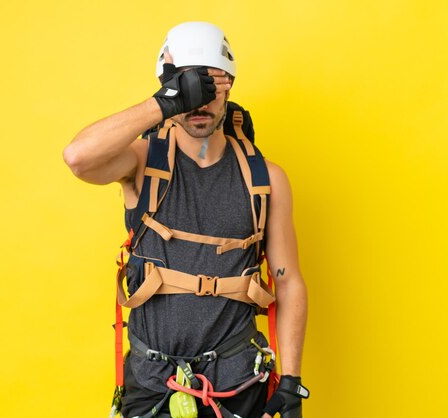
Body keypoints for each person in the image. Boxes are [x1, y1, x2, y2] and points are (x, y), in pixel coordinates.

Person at [63, 22, 308, 418]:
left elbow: (288, 279)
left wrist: (292, 383)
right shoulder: (142, 163)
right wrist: (164, 102)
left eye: (210, 87)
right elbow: (78, 158)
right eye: (187, 88)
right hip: (152, 383)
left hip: (238, 384)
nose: (200, 103)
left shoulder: (266, 178)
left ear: (228, 83)